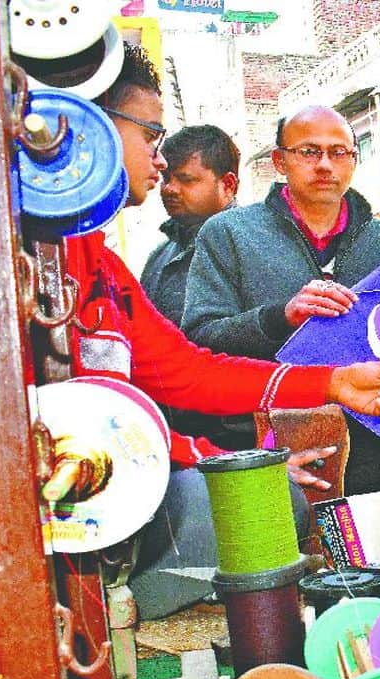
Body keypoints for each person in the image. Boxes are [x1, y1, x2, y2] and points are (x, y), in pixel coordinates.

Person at [0, 43, 380, 619]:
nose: (160, 163)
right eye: (151, 136)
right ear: (79, 126)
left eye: (339, 152)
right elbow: (177, 368)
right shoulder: (4, 263)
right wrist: (227, 454)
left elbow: (186, 371)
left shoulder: (95, 264)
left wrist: (333, 382)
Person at [181, 105, 380, 493]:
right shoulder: (229, 234)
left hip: (376, 463)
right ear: (279, 161)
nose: (325, 164)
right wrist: (279, 318)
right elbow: (199, 338)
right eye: (309, 152)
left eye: (338, 152)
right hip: (270, 458)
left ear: (354, 160)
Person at [141, 125, 251, 451]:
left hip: (242, 435)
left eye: (186, 180)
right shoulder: (160, 256)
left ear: (227, 185)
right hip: (179, 438)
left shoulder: (254, 244)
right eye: (166, 178)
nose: (169, 189)